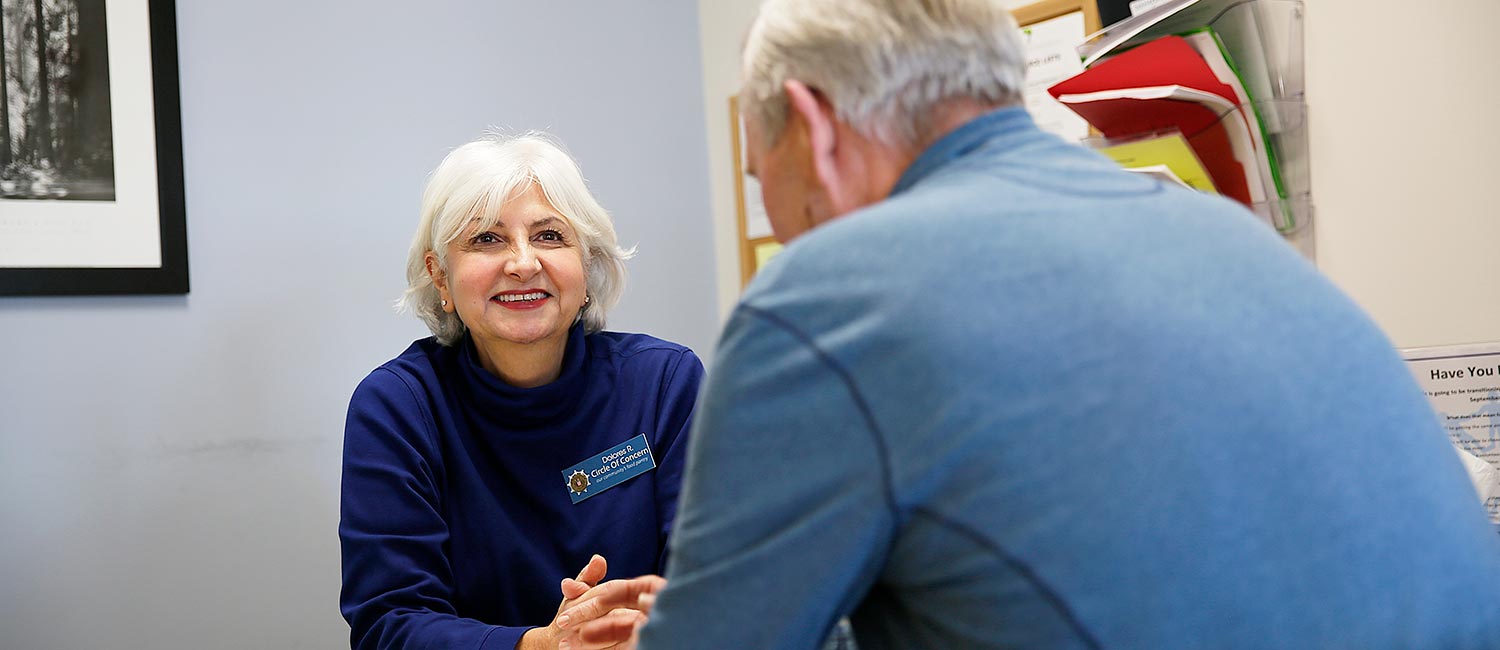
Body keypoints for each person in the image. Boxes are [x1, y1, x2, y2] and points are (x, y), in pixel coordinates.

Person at [558, 1, 1500, 648]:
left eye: (771, 188)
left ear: (814, 125)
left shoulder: (825, 299)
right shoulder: (1208, 224)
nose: (786, 226)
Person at [338, 133, 705, 650]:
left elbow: (713, 582)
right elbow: (389, 623)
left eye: (550, 236)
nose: (523, 263)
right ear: (440, 277)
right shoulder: (397, 407)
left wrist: (640, 632)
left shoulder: (665, 384)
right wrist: (544, 645)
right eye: (487, 239)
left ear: (587, 267)